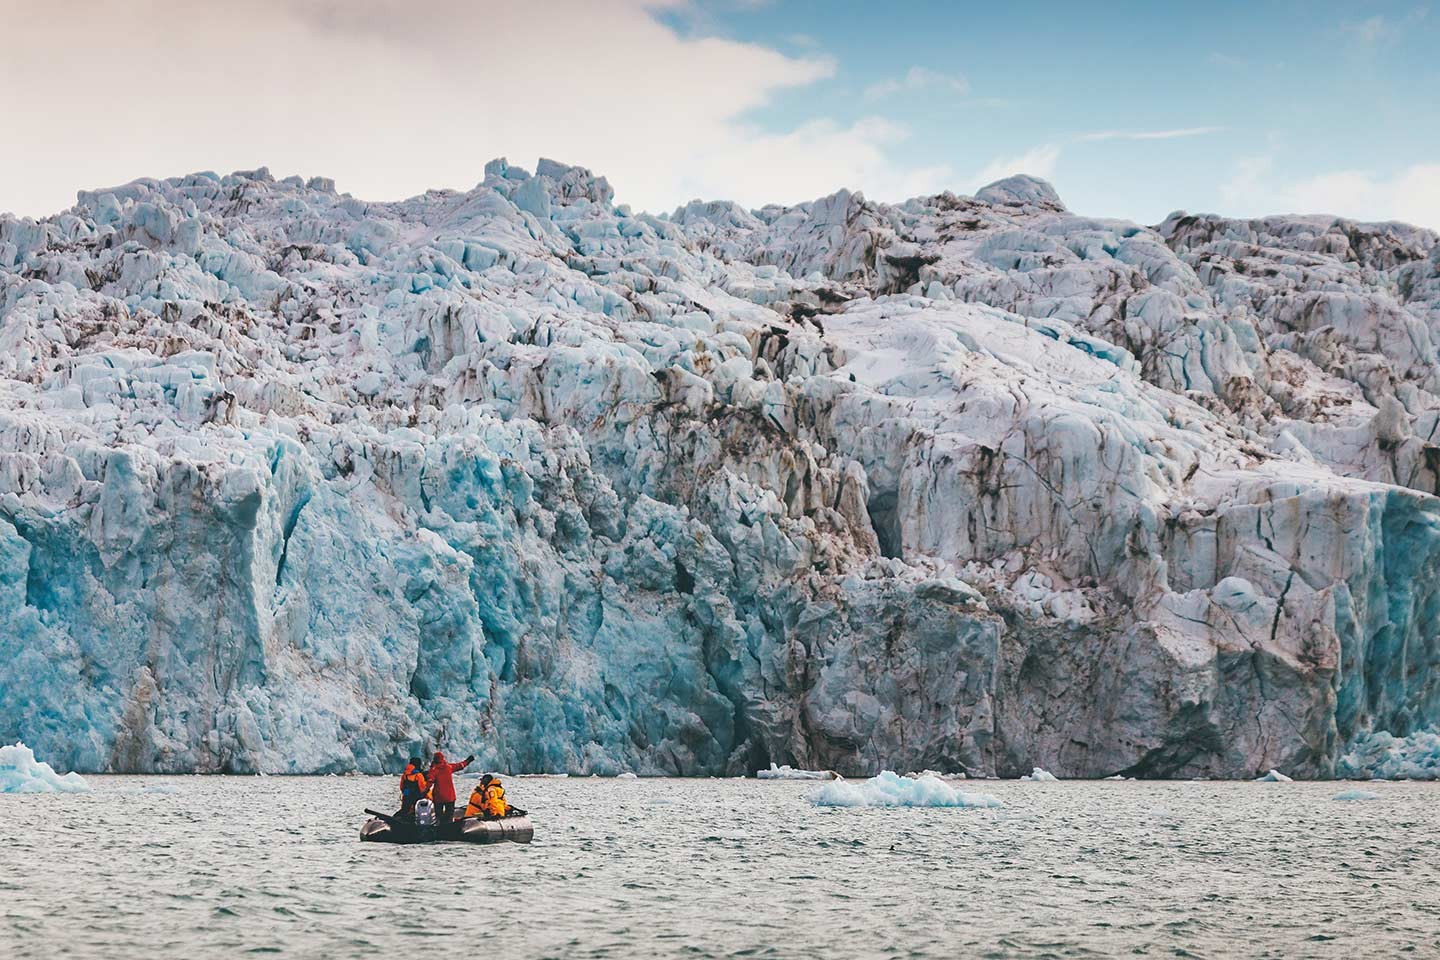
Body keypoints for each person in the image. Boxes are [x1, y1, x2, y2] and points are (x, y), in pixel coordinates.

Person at [426, 750, 474, 823]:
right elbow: (460, 765)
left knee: (439, 816)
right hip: (450, 796)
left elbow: (430, 781)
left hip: (438, 796)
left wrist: (424, 790)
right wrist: (468, 761)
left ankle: (440, 829)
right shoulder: (448, 767)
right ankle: (449, 828)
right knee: (449, 815)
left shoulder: (434, 770)